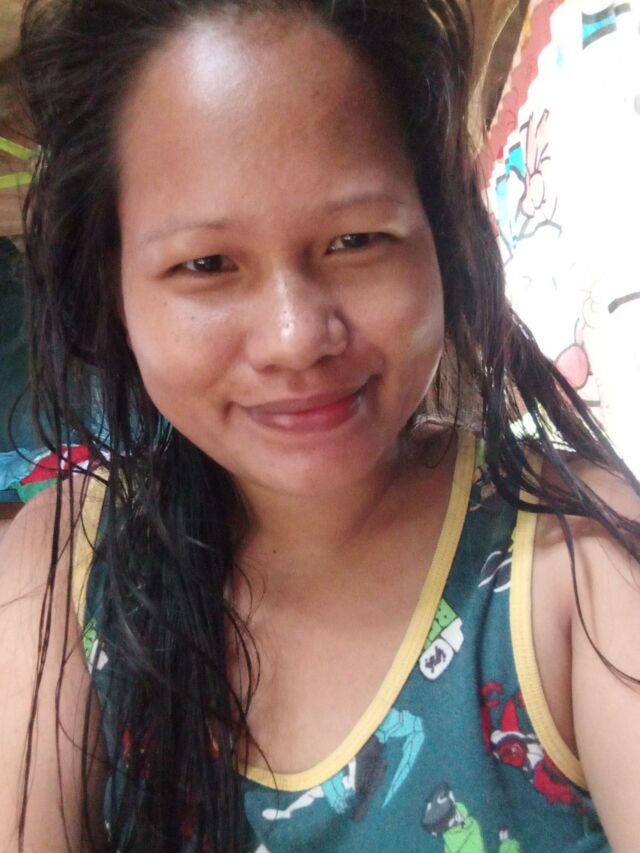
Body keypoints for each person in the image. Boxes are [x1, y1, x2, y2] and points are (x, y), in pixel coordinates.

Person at [1, 1, 639, 851]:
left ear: (443, 239)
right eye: (206, 264)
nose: (296, 337)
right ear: (114, 287)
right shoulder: (64, 568)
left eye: (356, 240)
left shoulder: (578, 564)